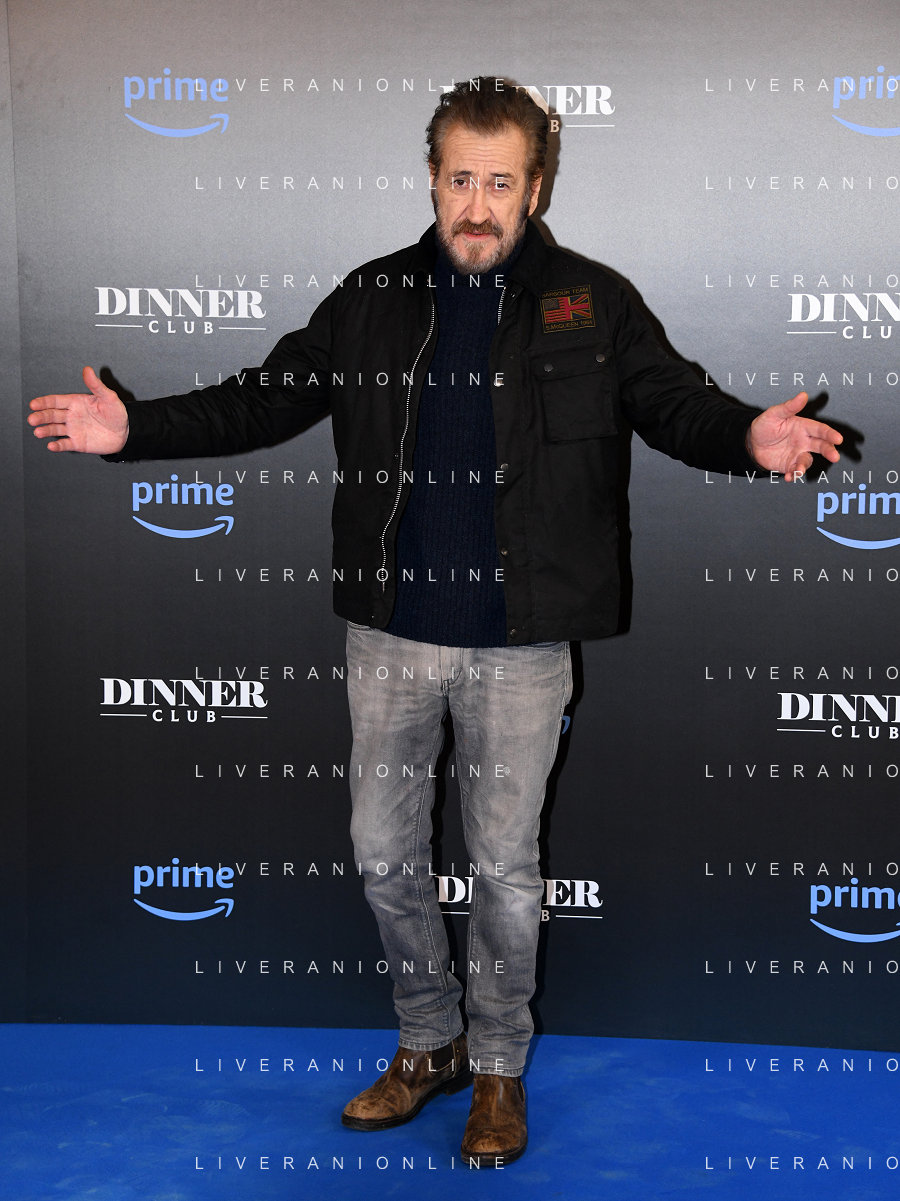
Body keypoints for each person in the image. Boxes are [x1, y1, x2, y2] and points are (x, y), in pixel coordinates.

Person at [28, 77, 842, 1168]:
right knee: (381, 853)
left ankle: (498, 1066)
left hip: (523, 643)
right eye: (462, 179)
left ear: (535, 189)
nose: (478, 204)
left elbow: (673, 402)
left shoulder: (595, 302)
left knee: (504, 867)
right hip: (392, 635)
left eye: (501, 183)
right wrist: (136, 429)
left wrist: (746, 437)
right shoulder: (371, 297)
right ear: (431, 178)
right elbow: (263, 396)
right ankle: (429, 1042)